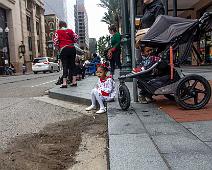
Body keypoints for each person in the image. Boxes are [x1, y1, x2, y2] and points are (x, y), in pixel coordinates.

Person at [53, 21, 78, 88]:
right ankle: (74, 82)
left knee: (65, 65)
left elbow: (55, 41)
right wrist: (71, 41)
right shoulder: (70, 31)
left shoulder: (57, 32)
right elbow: (76, 38)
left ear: (59, 25)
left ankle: (64, 83)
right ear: (65, 25)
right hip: (72, 48)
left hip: (64, 49)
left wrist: (57, 48)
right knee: (73, 65)